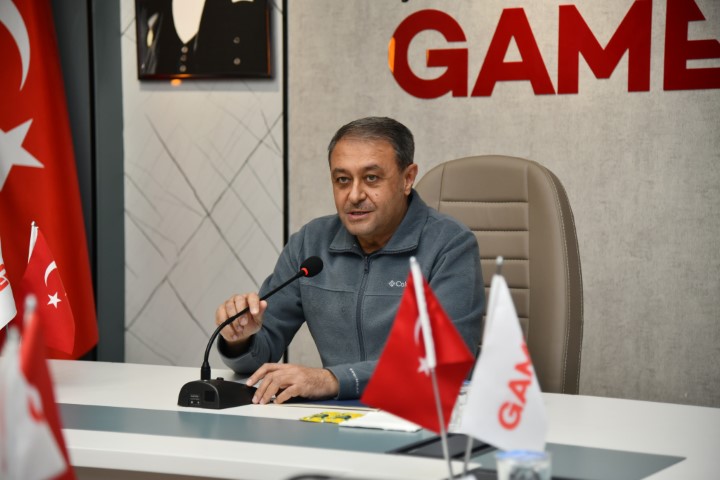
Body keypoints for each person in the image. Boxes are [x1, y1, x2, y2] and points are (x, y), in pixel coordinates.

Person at [215, 117, 484, 404]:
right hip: (336, 413)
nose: (354, 195)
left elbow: (444, 360)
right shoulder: (310, 243)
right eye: (342, 180)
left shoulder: (450, 244)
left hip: (424, 411)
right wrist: (239, 338)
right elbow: (259, 356)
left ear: (407, 179)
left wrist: (332, 380)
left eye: (371, 178)